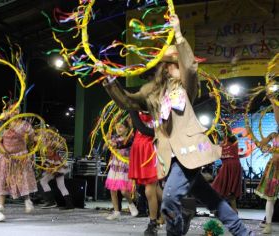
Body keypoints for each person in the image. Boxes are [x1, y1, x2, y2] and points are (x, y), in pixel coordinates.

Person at [103, 14, 252, 236]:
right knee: (211, 198)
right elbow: (127, 101)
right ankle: (243, 232)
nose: (176, 67)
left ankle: (177, 229)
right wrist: (110, 80)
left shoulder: (185, 86)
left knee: (170, 200)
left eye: (176, 63)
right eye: (172, 64)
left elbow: (191, 68)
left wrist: (179, 34)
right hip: (168, 157)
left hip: (189, 153)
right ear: (164, 67)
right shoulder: (151, 92)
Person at [0, 106, 37, 213]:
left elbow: (32, 140)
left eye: (17, 109)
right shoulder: (3, 125)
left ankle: (27, 201)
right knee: (3, 179)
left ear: (20, 111)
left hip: (21, 157)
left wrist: (32, 138)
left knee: (22, 179)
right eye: (11, 109)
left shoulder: (25, 125)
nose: (14, 111)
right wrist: (5, 153)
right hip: (6, 157)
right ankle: (1, 205)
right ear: (7, 111)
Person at [128, 110, 164, 228]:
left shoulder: (160, 107)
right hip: (139, 150)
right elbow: (140, 129)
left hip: (151, 150)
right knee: (156, 189)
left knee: (149, 190)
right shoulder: (134, 108)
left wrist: (161, 133)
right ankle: (173, 212)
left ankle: (153, 222)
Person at [254, 88, 279, 234]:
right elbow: (261, 144)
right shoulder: (274, 134)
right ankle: (268, 224)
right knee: (270, 198)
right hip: (274, 169)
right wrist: (266, 148)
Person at [104, 119, 138, 220]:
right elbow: (104, 148)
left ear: (127, 129)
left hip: (125, 166)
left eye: (121, 127)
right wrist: (106, 142)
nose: (118, 129)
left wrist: (115, 144)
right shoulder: (114, 137)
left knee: (123, 191)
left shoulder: (130, 138)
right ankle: (116, 212)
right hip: (115, 165)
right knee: (112, 190)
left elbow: (125, 144)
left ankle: (131, 204)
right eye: (117, 126)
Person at [39, 127, 74, 210]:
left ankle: (53, 202)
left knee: (57, 184)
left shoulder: (54, 142)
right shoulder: (45, 141)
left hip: (56, 164)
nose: (46, 133)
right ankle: (65, 204)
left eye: (48, 132)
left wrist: (60, 140)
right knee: (45, 181)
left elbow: (61, 146)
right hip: (50, 163)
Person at [212, 123, 243, 213]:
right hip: (225, 166)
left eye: (222, 130)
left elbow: (244, 133)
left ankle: (233, 211)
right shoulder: (219, 144)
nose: (221, 132)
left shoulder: (233, 139)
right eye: (219, 130)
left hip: (233, 166)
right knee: (218, 187)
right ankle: (219, 208)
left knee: (231, 192)